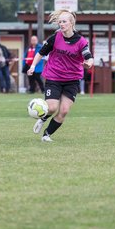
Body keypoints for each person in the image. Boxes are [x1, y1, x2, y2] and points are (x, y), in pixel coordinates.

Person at [27, 9, 94, 142]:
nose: (61, 24)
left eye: (64, 22)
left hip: (72, 80)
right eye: (60, 22)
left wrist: (89, 64)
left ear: (71, 23)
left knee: (63, 111)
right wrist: (33, 66)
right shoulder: (55, 37)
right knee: (51, 108)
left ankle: (46, 135)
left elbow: (89, 57)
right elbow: (41, 53)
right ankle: (43, 118)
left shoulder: (81, 41)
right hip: (54, 78)